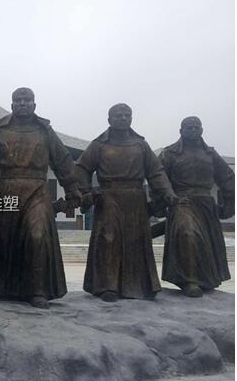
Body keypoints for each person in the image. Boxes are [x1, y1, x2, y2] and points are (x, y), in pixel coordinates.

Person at [0, 88, 81, 309]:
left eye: (27, 100)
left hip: (37, 190)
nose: (22, 103)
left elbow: (62, 161)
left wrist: (72, 187)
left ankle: (37, 289)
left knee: (37, 234)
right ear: (12, 105)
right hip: (5, 189)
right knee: (3, 240)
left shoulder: (44, 131)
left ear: (34, 104)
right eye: (18, 100)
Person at [76, 103, 177, 302]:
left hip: (136, 199)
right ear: (109, 119)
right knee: (108, 238)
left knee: (136, 241)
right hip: (108, 197)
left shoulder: (141, 145)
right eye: (118, 115)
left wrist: (168, 193)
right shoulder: (99, 144)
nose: (123, 118)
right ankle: (107, 286)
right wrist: (86, 192)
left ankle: (138, 286)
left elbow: (156, 172)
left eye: (126, 115)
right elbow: (81, 168)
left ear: (131, 118)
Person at [158, 116, 234, 297]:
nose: (193, 130)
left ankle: (205, 279)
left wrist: (229, 204)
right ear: (181, 131)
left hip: (206, 204)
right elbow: (158, 180)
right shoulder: (169, 153)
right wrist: (165, 201)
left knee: (206, 243)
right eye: (189, 128)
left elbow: (227, 178)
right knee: (188, 234)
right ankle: (190, 280)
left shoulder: (210, 154)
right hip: (182, 202)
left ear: (201, 130)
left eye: (196, 127)